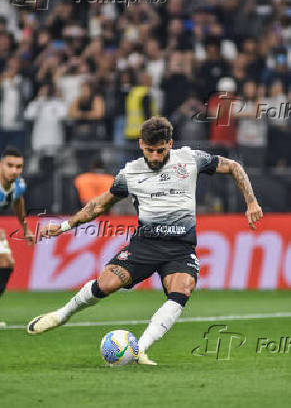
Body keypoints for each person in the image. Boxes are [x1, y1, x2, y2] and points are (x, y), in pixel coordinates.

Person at [27, 117, 263, 365]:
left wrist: (252, 201)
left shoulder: (190, 159)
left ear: (170, 144)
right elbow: (99, 204)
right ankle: (61, 315)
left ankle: (139, 349)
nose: (155, 156)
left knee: (182, 288)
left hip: (180, 248)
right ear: (141, 144)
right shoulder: (130, 172)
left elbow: (234, 166)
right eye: (149, 150)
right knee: (106, 284)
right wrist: (65, 226)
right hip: (145, 245)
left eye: (160, 150)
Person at [0, 147, 34, 326]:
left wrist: (25, 228)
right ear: (1, 165)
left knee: (6, 264)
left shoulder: (18, 185)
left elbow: (18, 202)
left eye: (18, 167)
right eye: (10, 165)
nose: (14, 171)